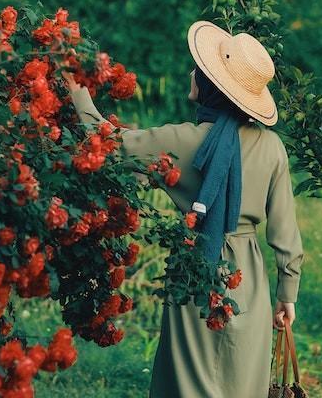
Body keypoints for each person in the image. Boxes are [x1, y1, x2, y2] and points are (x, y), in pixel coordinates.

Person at [63, 20, 304, 398]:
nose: (193, 71)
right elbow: (285, 234)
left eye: (200, 69)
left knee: (189, 382)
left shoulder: (183, 140)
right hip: (250, 276)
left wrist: (76, 88)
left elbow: (107, 142)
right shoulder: (272, 146)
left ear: (211, 86)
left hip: (195, 268)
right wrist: (286, 293)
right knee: (242, 380)